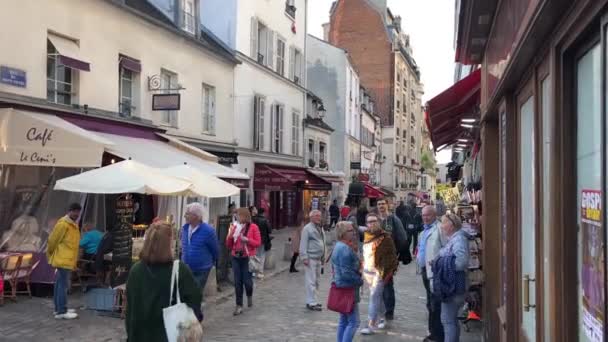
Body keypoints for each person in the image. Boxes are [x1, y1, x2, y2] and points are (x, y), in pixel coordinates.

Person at [126, 222, 202, 342]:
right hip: (171, 336)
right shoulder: (180, 270)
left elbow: (130, 310)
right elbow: (195, 300)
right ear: (168, 245)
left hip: (140, 336)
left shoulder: (135, 271)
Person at [360, 213, 399, 335]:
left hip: (380, 272)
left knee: (374, 297)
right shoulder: (367, 236)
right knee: (378, 297)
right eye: (369, 222)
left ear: (378, 222)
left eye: (374, 221)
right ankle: (382, 317)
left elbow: (392, 256)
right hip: (368, 272)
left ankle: (371, 325)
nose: (372, 223)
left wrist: (387, 271)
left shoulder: (385, 237)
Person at [434, 213, 469, 342]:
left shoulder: (459, 239)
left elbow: (461, 262)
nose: (442, 226)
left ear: (452, 225)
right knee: (451, 320)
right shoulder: (454, 239)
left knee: (448, 320)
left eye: (444, 223)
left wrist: (440, 262)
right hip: (451, 285)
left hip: (453, 287)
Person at [46, 203, 82, 319]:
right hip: (63, 259)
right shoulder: (63, 224)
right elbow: (52, 240)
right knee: (63, 285)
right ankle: (62, 311)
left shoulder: (72, 225)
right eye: (75, 211)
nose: (77, 214)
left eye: (78, 212)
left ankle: (59, 308)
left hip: (66, 259)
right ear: (69, 211)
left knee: (59, 284)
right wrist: (51, 254)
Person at [376, 197, 409, 321]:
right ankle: (381, 307)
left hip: (389, 258)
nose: (381, 206)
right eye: (379, 204)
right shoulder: (376, 220)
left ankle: (389, 310)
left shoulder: (394, 220)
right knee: (378, 284)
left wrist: (396, 255)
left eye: (383, 203)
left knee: (387, 284)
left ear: (387, 205)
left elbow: (402, 238)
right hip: (376, 257)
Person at [417, 205, 447, 342]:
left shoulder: (440, 229)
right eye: (423, 215)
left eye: (428, 215)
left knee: (436, 305)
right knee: (430, 303)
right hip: (425, 271)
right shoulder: (423, 231)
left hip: (436, 271)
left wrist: (438, 262)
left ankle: (437, 336)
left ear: (434, 215)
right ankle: (432, 332)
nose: (425, 218)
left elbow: (447, 248)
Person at [225, 208, 261, 316]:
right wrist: (230, 236)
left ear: (244, 216)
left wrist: (247, 240)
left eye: (238, 215)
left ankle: (249, 294)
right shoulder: (234, 226)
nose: (236, 217)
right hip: (236, 257)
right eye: (236, 216)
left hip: (247, 257)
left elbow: (258, 243)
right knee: (237, 282)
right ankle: (239, 305)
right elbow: (229, 245)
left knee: (247, 282)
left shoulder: (253, 227)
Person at [332, 221, 363, 342]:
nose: (354, 233)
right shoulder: (344, 249)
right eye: (351, 230)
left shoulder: (340, 246)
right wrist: (359, 280)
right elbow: (346, 273)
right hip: (347, 288)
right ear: (344, 233)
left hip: (341, 286)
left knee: (344, 320)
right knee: (354, 322)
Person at [181, 202, 219, 301]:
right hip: (186, 268)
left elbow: (215, 249)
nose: (185, 216)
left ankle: (195, 313)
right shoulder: (184, 229)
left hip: (202, 269)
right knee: (187, 294)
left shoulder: (208, 231)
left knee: (195, 293)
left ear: (196, 216)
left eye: (187, 214)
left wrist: (210, 263)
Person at [299, 210, 326, 311]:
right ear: (311, 217)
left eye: (320, 216)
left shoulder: (320, 228)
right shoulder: (307, 229)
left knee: (316, 281)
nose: (319, 218)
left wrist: (324, 256)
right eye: (317, 216)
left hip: (319, 258)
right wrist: (304, 257)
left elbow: (323, 243)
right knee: (310, 281)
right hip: (310, 258)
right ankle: (311, 302)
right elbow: (303, 243)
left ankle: (314, 299)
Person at [251, 206, 272, 279]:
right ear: (263, 213)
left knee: (254, 255)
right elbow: (269, 230)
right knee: (262, 255)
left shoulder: (253, 219)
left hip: (254, 240)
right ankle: (260, 272)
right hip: (262, 240)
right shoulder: (265, 220)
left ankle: (253, 271)